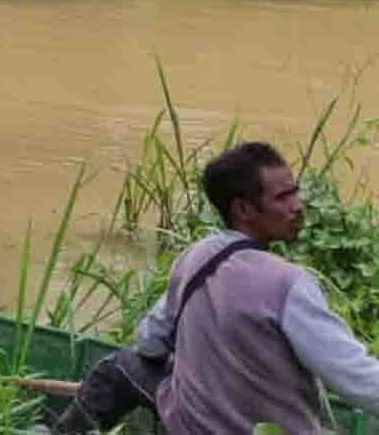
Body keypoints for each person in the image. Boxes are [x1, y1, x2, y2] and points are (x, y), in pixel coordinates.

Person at [56, 142, 379, 434]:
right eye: (282, 197)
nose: (297, 205)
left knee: (118, 368)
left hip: (192, 427)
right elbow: (358, 379)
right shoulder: (291, 284)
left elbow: (149, 343)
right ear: (243, 210)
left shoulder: (196, 257)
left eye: (294, 192)